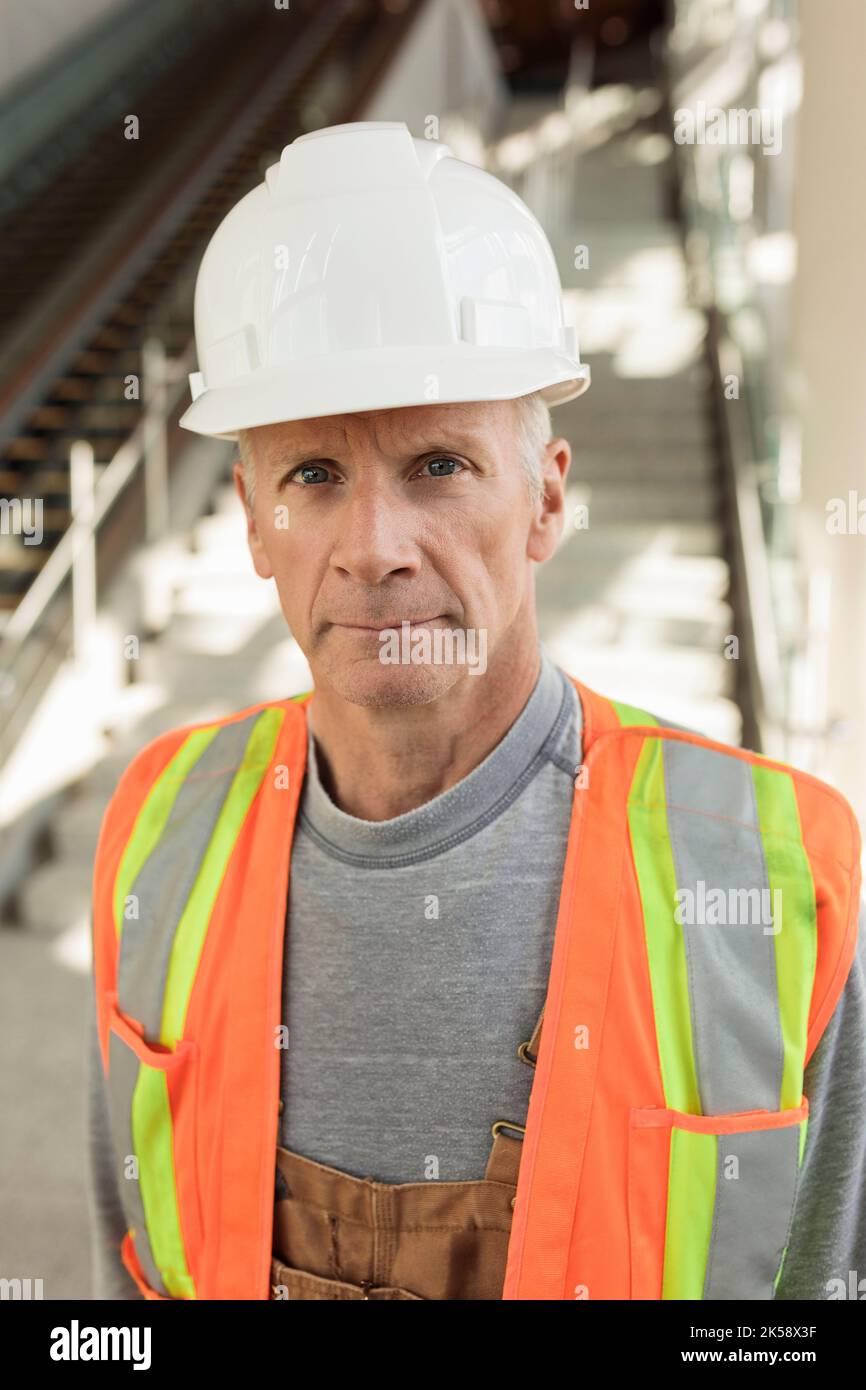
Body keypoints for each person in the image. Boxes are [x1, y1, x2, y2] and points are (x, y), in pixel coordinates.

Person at [86, 122, 865, 1301]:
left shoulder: (770, 878)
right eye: (312, 475)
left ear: (545, 500)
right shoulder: (160, 834)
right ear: (251, 521)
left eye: (438, 466)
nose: (375, 550)